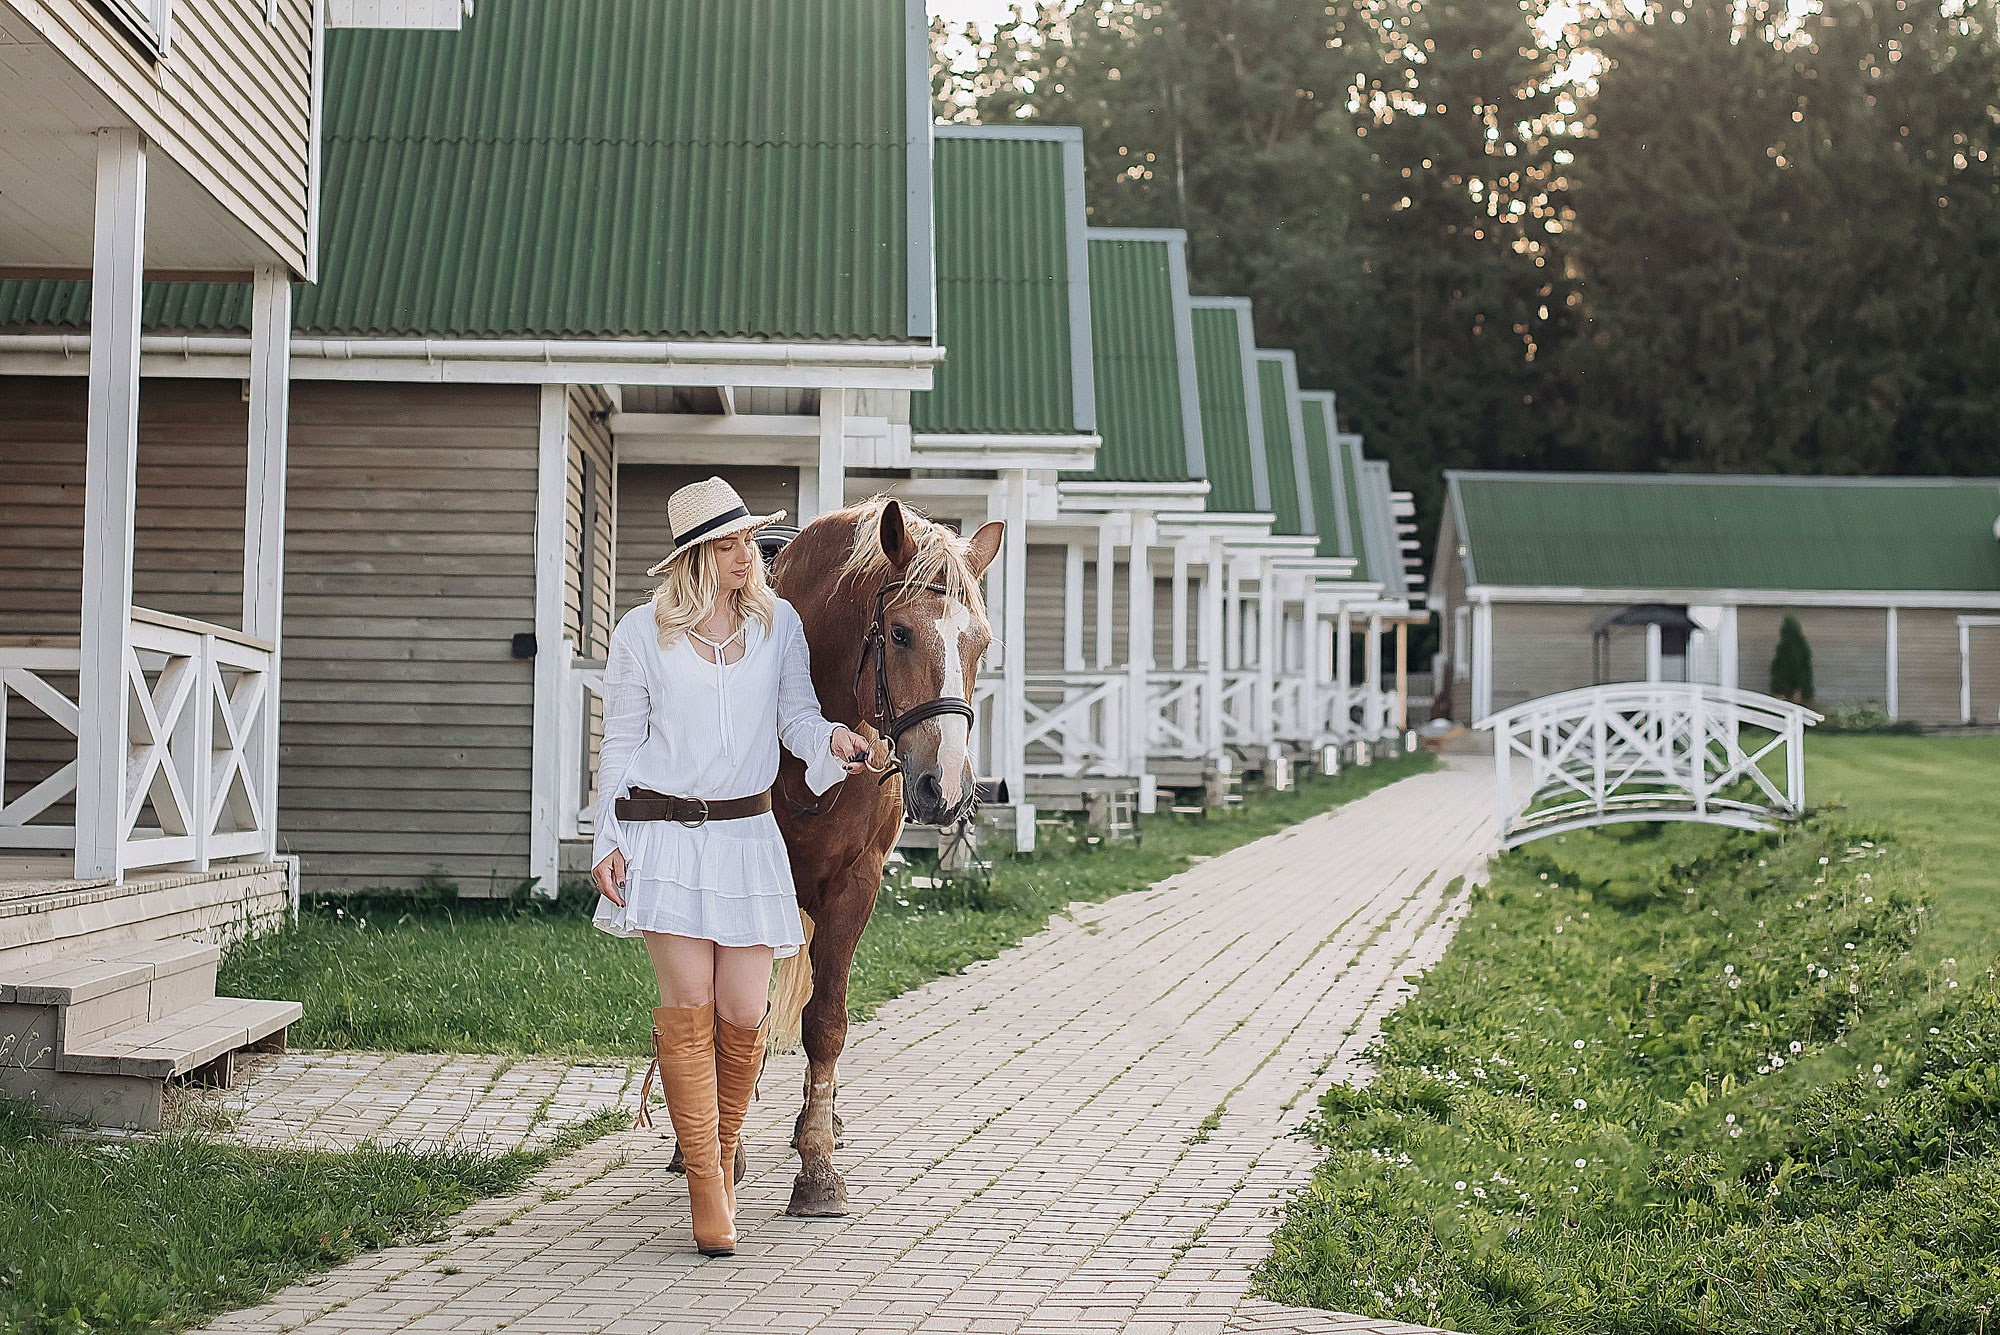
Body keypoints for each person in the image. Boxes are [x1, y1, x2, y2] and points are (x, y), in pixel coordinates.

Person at [590, 476, 869, 1258]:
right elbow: (620, 743)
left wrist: (833, 742)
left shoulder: (778, 626)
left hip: (747, 840)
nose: (749, 554)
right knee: (690, 1008)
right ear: (694, 556)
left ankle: (719, 1152)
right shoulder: (641, 633)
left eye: (749, 538)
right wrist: (606, 838)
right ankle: (709, 1189)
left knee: (745, 1011)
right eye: (730, 543)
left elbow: (795, 719)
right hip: (665, 839)